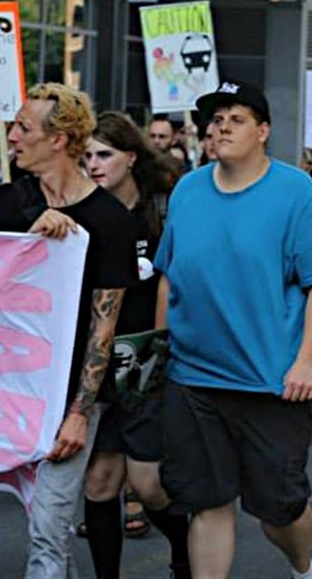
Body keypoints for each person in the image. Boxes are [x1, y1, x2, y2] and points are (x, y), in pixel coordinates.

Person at [154, 81, 312, 579]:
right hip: (194, 378)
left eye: (234, 119)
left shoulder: (297, 192)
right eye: (215, 120)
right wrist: (160, 350)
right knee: (206, 503)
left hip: (272, 380)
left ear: (263, 131)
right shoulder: (188, 189)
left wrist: (306, 360)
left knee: (278, 510)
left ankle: (303, 568)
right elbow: (170, 275)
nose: (220, 128)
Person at [0, 83, 138, 578]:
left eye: (24, 128)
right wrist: (27, 241)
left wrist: (79, 415)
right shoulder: (5, 205)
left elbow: (103, 327)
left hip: (71, 394)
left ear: (61, 140)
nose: (12, 136)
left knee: (49, 527)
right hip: (10, 387)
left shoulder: (110, 222)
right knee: (39, 521)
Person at [79, 111, 190, 579]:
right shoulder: (80, 211)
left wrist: (161, 350)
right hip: (95, 357)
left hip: (147, 355)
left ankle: (187, 552)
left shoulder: (162, 209)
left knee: (147, 486)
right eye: (85, 156)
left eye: (104, 154)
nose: (94, 165)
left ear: (130, 156)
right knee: (101, 482)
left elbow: (177, 280)